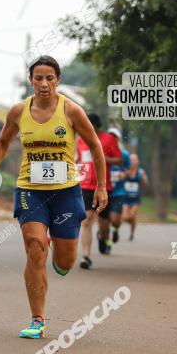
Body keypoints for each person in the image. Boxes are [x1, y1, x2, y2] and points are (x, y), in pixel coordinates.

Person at [0, 55, 108, 338]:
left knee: (65, 262)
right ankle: (37, 319)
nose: (44, 84)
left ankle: (58, 253)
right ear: (31, 81)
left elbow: (95, 146)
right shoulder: (18, 111)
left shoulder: (72, 111)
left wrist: (100, 187)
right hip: (30, 189)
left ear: (58, 80)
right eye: (38, 78)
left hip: (66, 192)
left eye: (49, 78)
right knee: (35, 247)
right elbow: (2, 142)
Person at [76, 114, 122, 269]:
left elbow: (119, 160)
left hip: (103, 187)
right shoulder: (80, 140)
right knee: (87, 220)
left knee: (103, 224)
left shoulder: (109, 139)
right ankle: (86, 257)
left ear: (95, 125)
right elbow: (78, 160)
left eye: (88, 124)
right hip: (85, 186)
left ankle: (103, 238)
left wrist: (101, 158)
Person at [106, 127, 131, 245]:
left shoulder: (124, 154)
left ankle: (115, 230)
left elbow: (130, 171)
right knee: (106, 219)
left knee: (115, 219)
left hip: (119, 191)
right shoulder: (102, 151)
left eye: (114, 137)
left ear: (118, 139)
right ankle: (105, 240)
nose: (112, 138)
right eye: (110, 136)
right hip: (106, 189)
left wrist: (124, 174)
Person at [122, 153, 147, 241]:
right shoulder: (125, 170)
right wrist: (124, 175)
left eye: (134, 160)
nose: (132, 161)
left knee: (132, 216)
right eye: (131, 160)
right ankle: (130, 222)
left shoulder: (141, 172)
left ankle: (132, 233)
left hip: (135, 198)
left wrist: (144, 181)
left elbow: (145, 185)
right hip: (125, 197)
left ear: (138, 161)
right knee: (124, 217)